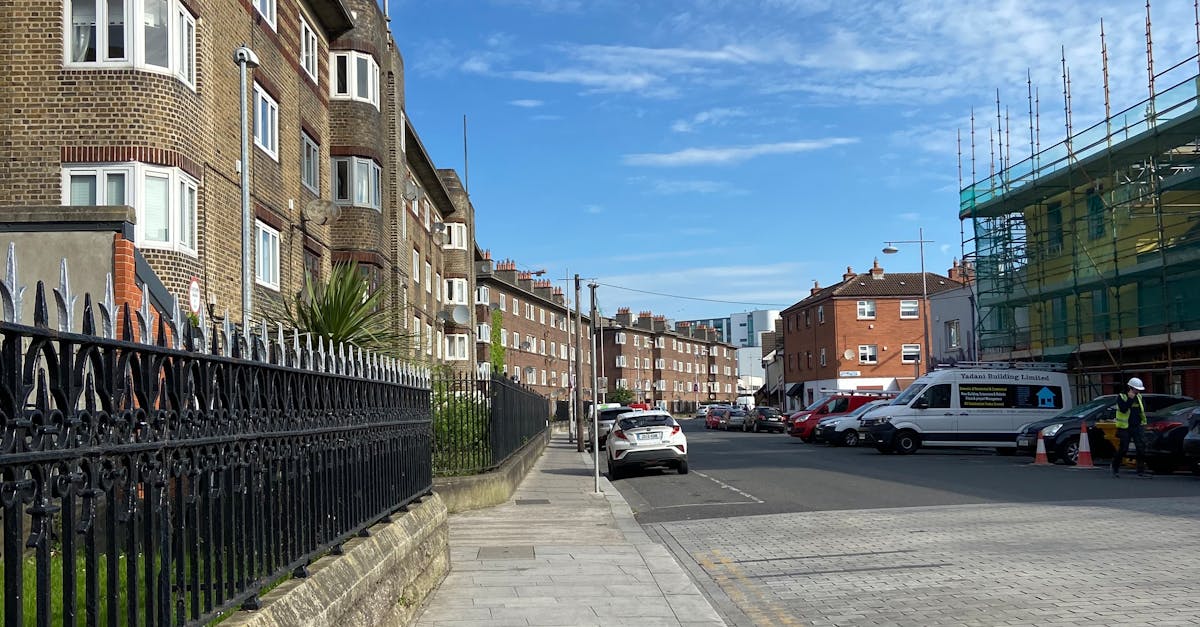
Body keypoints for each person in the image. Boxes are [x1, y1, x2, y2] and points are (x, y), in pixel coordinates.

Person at [1111, 377, 1149, 478]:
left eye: (1139, 390)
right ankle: (1115, 467)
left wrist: (1143, 423)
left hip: (1137, 426)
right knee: (1123, 449)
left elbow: (1142, 410)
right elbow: (1123, 409)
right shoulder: (1122, 397)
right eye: (1136, 389)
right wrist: (1130, 399)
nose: (1137, 391)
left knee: (1141, 448)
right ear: (1130, 388)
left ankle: (1140, 471)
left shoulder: (1139, 397)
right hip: (1125, 427)